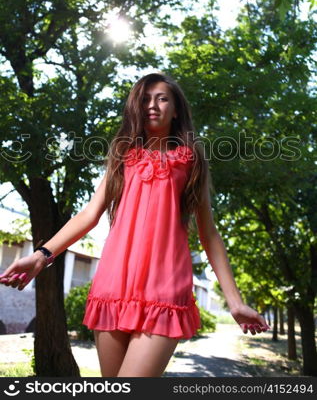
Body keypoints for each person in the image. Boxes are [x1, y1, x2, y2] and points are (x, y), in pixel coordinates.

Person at [0, 72, 269, 377]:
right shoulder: (122, 156)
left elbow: (209, 234)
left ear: (176, 108)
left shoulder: (191, 160)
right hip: (113, 287)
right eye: (144, 99)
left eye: (162, 98)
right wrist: (41, 255)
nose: (152, 105)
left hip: (164, 293)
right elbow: (89, 215)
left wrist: (235, 302)